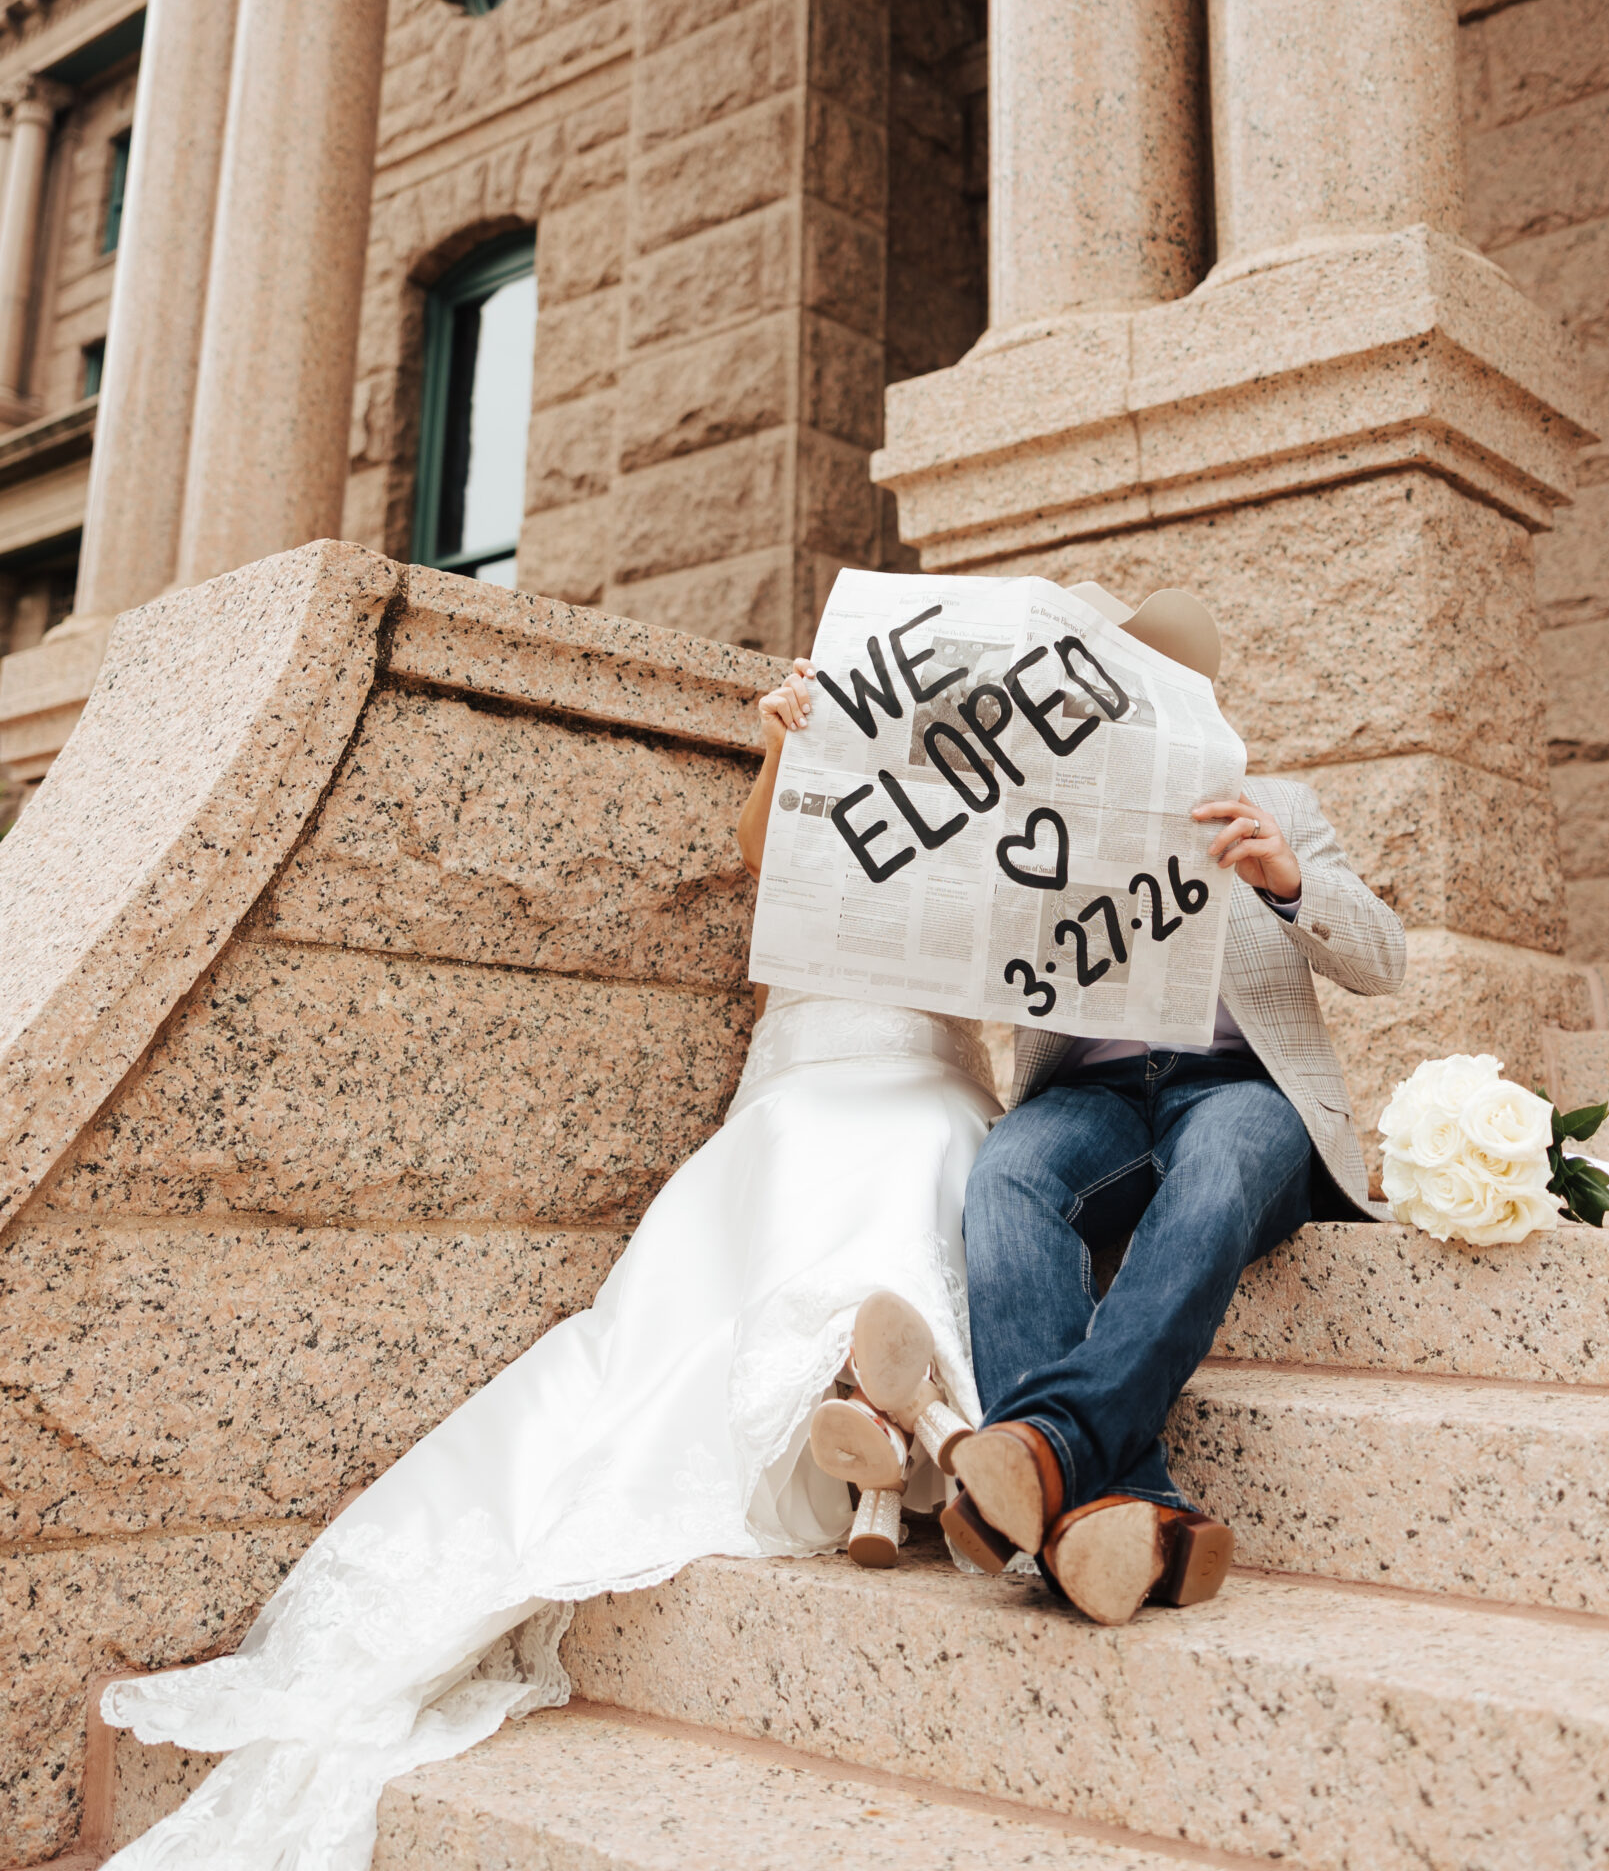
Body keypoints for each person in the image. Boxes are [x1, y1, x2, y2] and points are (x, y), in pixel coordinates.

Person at [99, 659, 999, 1871]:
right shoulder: (819, 772)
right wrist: (788, 743)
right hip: (804, 1082)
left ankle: (884, 1437)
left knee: (929, 1153)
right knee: (797, 1189)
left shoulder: (1001, 825)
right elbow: (757, 859)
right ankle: (897, 1432)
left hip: (934, 1079)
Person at [946, 593, 1405, 1628]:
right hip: (1093, 1096)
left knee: (1229, 1157)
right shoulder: (1035, 824)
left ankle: (1043, 1449)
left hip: (1241, 1089)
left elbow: (1385, 960)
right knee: (1009, 1171)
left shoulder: (1276, 800)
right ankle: (1128, 1505)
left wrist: (1286, 879)